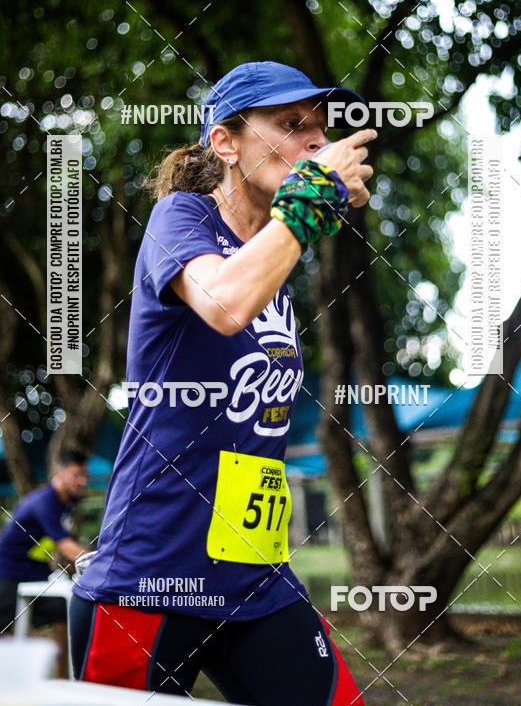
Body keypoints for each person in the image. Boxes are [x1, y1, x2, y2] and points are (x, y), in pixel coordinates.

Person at [70, 61, 375, 705]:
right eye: (291, 126)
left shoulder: (276, 258)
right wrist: (310, 202)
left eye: (320, 130)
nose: (316, 142)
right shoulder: (179, 220)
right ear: (226, 143)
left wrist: (297, 217)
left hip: (255, 575)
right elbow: (225, 302)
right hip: (151, 578)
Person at [0, 447, 91, 636]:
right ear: (59, 472)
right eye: (77, 475)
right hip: (7, 575)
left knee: (69, 611)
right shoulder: (44, 502)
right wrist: (101, 561)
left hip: (35, 576)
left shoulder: (66, 505)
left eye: (85, 475)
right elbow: (66, 547)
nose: (83, 481)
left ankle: (67, 666)